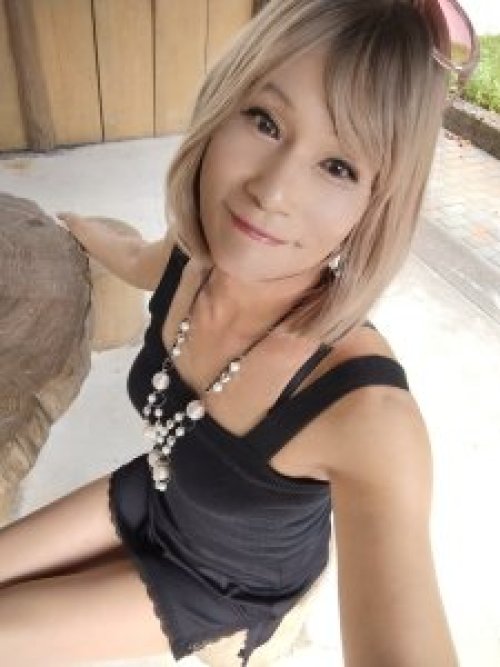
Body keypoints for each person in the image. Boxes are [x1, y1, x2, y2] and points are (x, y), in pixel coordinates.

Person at [0, 1, 479, 665]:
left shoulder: (367, 413)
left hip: (224, 585)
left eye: (339, 166)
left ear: (377, 206)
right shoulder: (194, 258)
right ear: (221, 106)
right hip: (154, 489)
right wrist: (82, 229)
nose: (272, 191)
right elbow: (136, 257)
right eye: (265, 120)